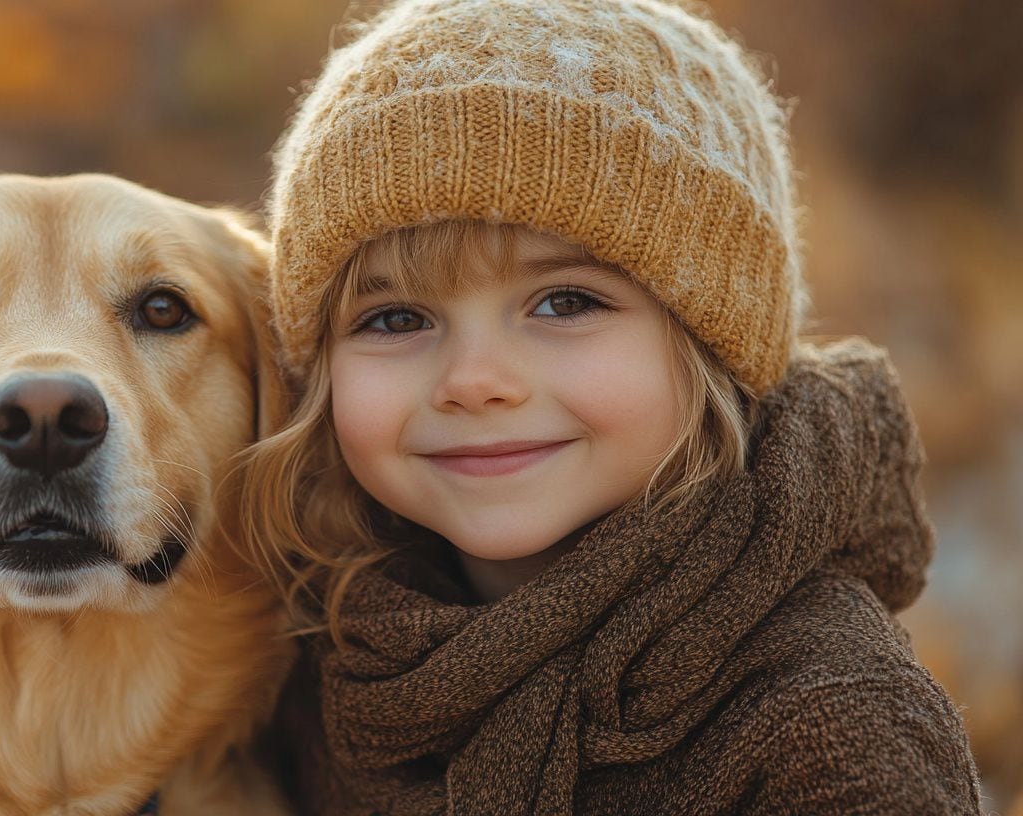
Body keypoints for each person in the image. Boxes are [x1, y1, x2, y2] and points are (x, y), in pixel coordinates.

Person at [239, 0, 984, 812]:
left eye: (563, 303)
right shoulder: (312, 655)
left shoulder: (827, 711)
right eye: (396, 319)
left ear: (709, 338)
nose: (474, 379)